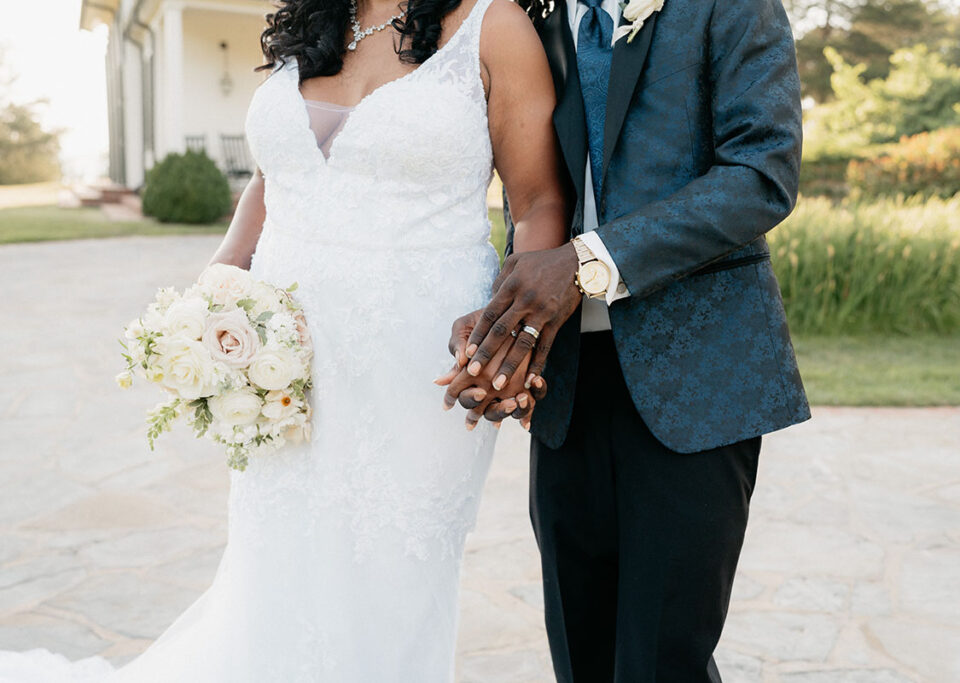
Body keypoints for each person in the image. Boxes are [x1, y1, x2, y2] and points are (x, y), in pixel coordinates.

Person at [0, 0, 565, 680]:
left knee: (389, 583)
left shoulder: (492, 25)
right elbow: (276, 177)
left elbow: (537, 202)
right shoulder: (312, 21)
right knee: (274, 571)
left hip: (420, 368)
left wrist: (513, 337)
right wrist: (216, 288)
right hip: (281, 365)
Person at [440, 0, 810, 679]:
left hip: (696, 382)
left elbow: (762, 172)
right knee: (580, 654)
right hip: (569, 389)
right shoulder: (534, 14)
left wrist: (587, 259)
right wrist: (508, 324)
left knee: (664, 661)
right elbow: (532, 190)